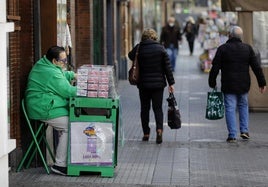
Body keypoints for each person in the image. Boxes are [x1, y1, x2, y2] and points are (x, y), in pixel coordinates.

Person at [208, 26, 267, 143]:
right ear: (241, 36)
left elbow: (215, 67)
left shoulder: (222, 49)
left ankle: (232, 135)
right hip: (244, 84)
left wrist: (212, 82)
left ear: (230, 35)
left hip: (228, 84)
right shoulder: (247, 48)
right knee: (243, 106)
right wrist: (262, 83)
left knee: (230, 108)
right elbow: (256, 67)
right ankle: (244, 131)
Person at [25, 46, 77, 175]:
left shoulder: (45, 64)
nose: (65, 63)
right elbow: (68, 91)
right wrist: (90, 90)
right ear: (54, 61)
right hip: (43, 108)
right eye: (63, 61)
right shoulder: (51, 72)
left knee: (72, 120)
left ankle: (66, 160)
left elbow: (61, 74)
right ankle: (60, 165)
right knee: (71, 125)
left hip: (44, 104)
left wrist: (73, 75)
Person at [128, 29, 175, 144]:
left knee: (145, 109)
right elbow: (167, 67)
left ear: (143, 37)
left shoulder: (139, 48)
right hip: (158, 85)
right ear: (154, 37)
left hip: (143, 84)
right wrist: (171, 83)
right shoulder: (160, 48)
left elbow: (130, 55)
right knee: (157, 108)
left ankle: (146, 133)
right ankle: (159, 130)